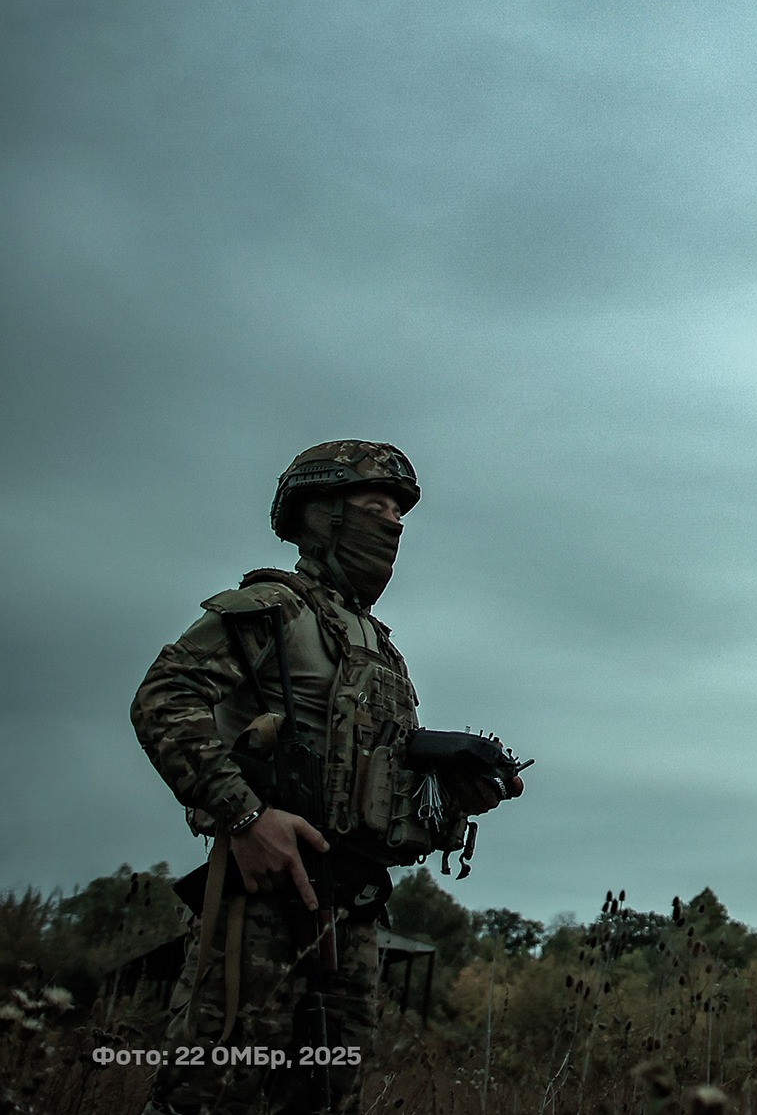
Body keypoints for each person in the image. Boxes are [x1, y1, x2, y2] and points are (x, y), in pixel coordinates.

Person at [132, 441, 522, 1115]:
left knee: (327, 1096)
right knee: (211, 1090)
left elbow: (379, 785)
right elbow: (164, 700)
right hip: (261, 900)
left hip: (353, 912)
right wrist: (246, 817)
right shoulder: (273, 608)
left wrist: (450, 798)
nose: (393, 522)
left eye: (399, 510)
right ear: (320, 514)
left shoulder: (383, 650)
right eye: (373, 504)